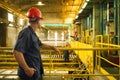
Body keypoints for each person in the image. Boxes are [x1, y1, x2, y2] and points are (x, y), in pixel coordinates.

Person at [13, 7, 60, 80]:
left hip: (35, 72)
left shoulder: (32, 33)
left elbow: (40, 44)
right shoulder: (26, 33)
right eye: (40, 20)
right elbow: (17, 52)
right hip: (28, 75)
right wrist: (27, 69)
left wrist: (53, 47)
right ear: (38, 21)